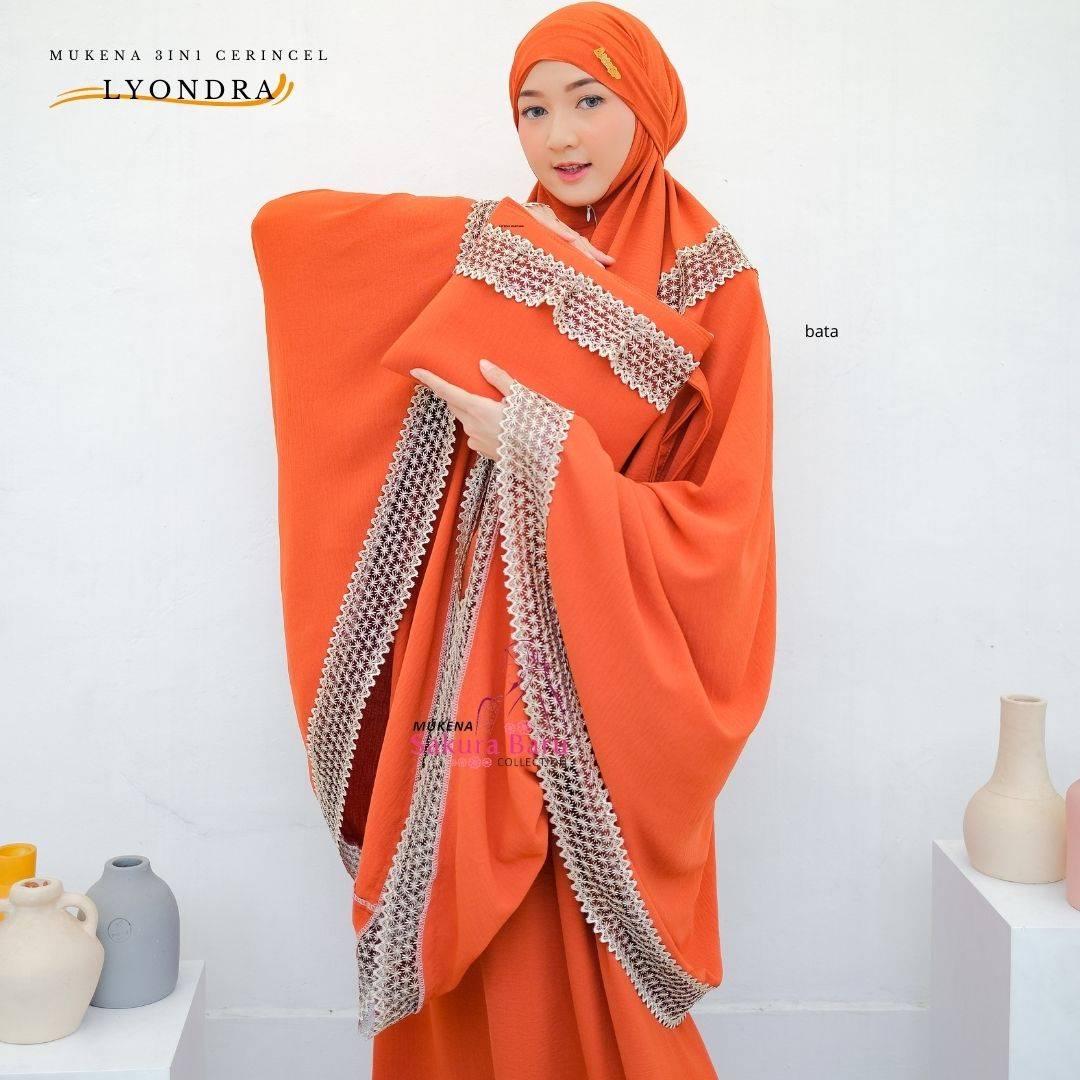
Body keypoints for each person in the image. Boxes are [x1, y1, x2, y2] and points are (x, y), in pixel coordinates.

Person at [250, 3, 775, 1077]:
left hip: (603, 687)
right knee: (468, 968)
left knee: (584, 975)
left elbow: (724, 531)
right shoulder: (500, 251)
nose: (560, 137)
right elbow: (286, 230)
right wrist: (482, 239)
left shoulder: (718, 290)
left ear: (649, 107)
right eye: (533, 110)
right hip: (466, 680)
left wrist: (542, 447)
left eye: (589, 100)